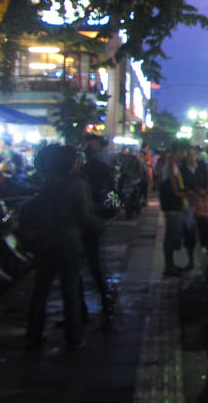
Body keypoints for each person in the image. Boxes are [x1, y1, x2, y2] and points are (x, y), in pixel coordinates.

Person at [25, 144, 104, 353]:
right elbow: (85, 217)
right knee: (70, 291)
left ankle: (33, 337)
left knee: (40, 291)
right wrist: (100, 224)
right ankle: (73, 337)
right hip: (69, 242)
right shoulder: (78, 185)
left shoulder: (44, 182)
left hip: (44, 241)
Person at [80, 134, 116, 325]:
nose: (88, 148)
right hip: (88, 222)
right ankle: (96, 304)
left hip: (90, 222)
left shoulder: (97, 169)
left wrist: (103, 215)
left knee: (93, 265)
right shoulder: (87, 168)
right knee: (91, 266)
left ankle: (104, 302)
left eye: (91, 145)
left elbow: (111, 195)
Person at [156, 141, 188, 276]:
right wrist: (183, 194)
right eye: (184, 151)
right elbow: (171, 186)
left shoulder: (172, 163)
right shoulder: (170, 164)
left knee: (171, 234)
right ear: (179, 150)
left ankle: (171, 265)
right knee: (173, 234)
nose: (185, 155)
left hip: (171, 203)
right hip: (172, 204)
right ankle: (169, 267)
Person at [181, 146, 208, 269]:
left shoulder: (203, 167)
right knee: (189, 234)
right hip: (189, 204)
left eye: (194, 155)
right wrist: (190, 191)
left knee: (206, 231)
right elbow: (181, 185)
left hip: (203, 204)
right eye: (189, 155)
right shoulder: (182, 169)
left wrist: (204, 192)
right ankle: (191, 261)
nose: (192, 158)